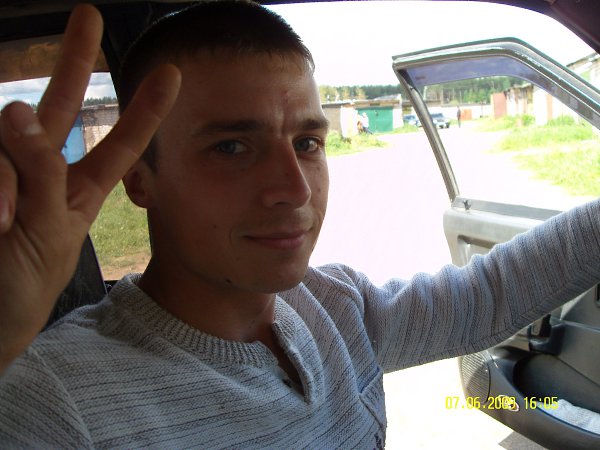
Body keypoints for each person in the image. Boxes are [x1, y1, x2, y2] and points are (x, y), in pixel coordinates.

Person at [1, 1, 599, 448]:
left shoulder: (337, 307)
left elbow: (484, 297)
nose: (295, 189)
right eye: (231, 147)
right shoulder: (53, 398)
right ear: (139, 179)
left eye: (308, 142)